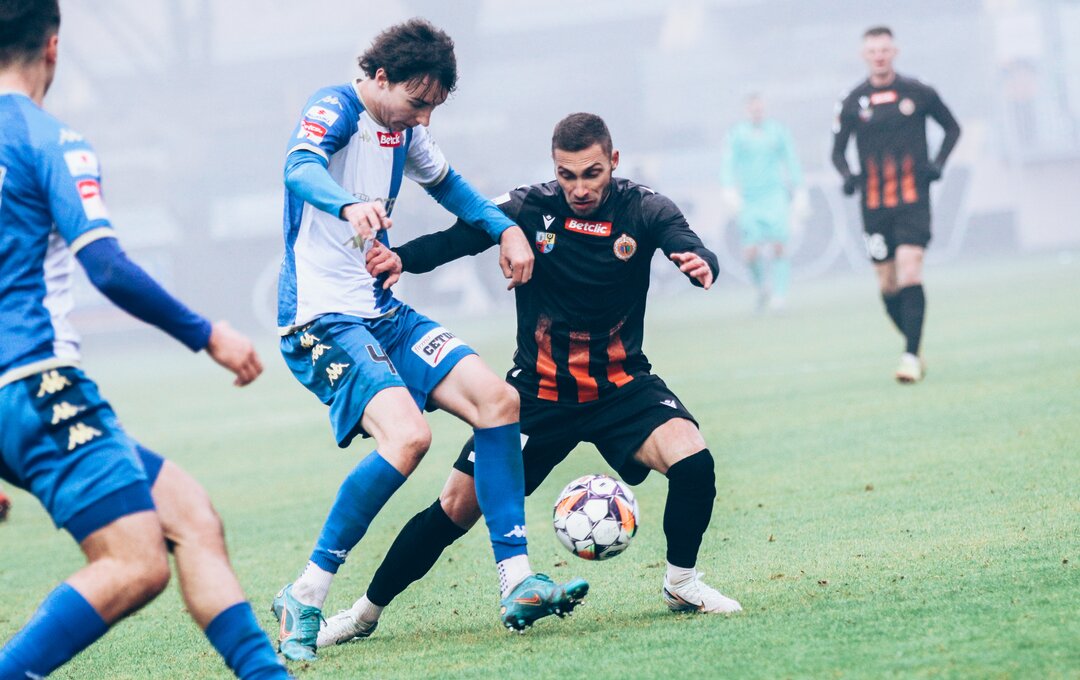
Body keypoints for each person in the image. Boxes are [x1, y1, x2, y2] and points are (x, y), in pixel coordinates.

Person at [315, 112, 743, 649]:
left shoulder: (645, 207)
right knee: (453, 510)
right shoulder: (529, 208)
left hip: (621, 387)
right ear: (554, 168)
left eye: (592, 173)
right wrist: (400, 258)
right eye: (568, 175)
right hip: (534, 397)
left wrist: (700, 262)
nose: (580, 188)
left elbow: (687, 241)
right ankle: (363, 614)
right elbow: (458, 238)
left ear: (613, 161)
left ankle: (681, 583)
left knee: (694, 462)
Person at [271, 18, 586, 662]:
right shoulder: (335, 107)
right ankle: (306, 592)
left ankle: (517, 580)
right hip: (321, 319)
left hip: (380, 311)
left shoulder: (405, 130)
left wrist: (506, 230)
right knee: (409, 437)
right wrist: (346, 205)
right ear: (380, 77)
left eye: (434, 107)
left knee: (498, 402)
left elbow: (453, 189)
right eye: (417, 102)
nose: (423, 119)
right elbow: (298, 167)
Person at [0, 2, 289, 678]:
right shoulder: (48, 140)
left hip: (13, 400)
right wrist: (208, 334)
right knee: (135, 563)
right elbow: (106, 266)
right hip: (39, 383)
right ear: (53, 47)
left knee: (191, 515)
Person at [831, 26, 961, 382]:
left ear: (895, 52)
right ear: (864, 55)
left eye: (884, 50)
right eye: (873, 51)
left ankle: (909, 357)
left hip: (913, 200)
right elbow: (837, 152)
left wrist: (938, 163)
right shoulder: (853, 100)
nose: (879, 56)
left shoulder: (918, 92)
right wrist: (848, 176)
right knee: (888, 285)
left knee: (910, 270)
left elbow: (952, 128)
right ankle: (914, 348)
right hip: (874, 205)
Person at [721, 94, 806, 312]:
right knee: (750, 251)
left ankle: (780, 297)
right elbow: (728, 163)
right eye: (753, 109)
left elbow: (791, 159)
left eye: (760, 108)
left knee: (779, 245)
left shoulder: (777, 131)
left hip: (774, 196)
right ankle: (762, 288)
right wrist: (728, 188)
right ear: (747, 110)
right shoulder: (737, 134)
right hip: (750, 199)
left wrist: (799, 188)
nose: (757, 112)